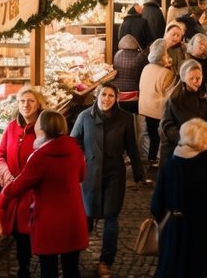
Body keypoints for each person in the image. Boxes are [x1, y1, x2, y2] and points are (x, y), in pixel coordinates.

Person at [0, 111, 89, 278]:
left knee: (48, 269)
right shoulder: (75, 150)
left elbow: (19, 186)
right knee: (71, 269)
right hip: (74, 219)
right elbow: (82, 176)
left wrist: (5, 192)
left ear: (42, 129)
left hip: (49, 221)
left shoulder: (40, 156)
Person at [71, 84, 145, 277]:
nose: (106, 99)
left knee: (111, 217)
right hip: (90, 173)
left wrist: (139, 172)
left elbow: (132, 146)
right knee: (86, 217)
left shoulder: (126, 118)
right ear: (97, 95)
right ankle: (72, 257)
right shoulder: (84, 116)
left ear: (116, 98)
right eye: (103, 94)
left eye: (111, 95)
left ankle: (106, 261)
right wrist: (81, 159)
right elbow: (73, 141)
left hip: (115, 173)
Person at [153, 118, 207, 278]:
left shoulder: (170, 164)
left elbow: (156, 205)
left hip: (175, 230)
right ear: (202, 139)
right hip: (204, 230)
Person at [0, 86, 45, 278]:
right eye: (22, 101)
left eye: (31, 101)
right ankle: (23, 268)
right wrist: (6, 172)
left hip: (35, 193)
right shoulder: (11, 127)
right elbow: (0, 155)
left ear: (38, 104)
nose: (26, 105)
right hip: (15, 192)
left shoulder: (42, 128)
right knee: (20, 235)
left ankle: (44, 267)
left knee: (37, 233)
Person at [161, 58, 207, 160]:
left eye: (198, 78)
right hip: (176, 150)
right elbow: (167, 125)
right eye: (192, 78)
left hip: (199, 151)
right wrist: (185, 140)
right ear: (183, 78)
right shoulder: (174, 99)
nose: (196, 81)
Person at [140, 39, 177, 165]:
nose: (168, 56)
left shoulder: (146, 68)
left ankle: (150, 157)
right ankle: (157, 159)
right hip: (158, 109)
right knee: (159, 135)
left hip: (145, 107)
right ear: (162, 55)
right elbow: (169, 94)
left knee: (151, 133)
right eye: (166, 54)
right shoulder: (167, 73)